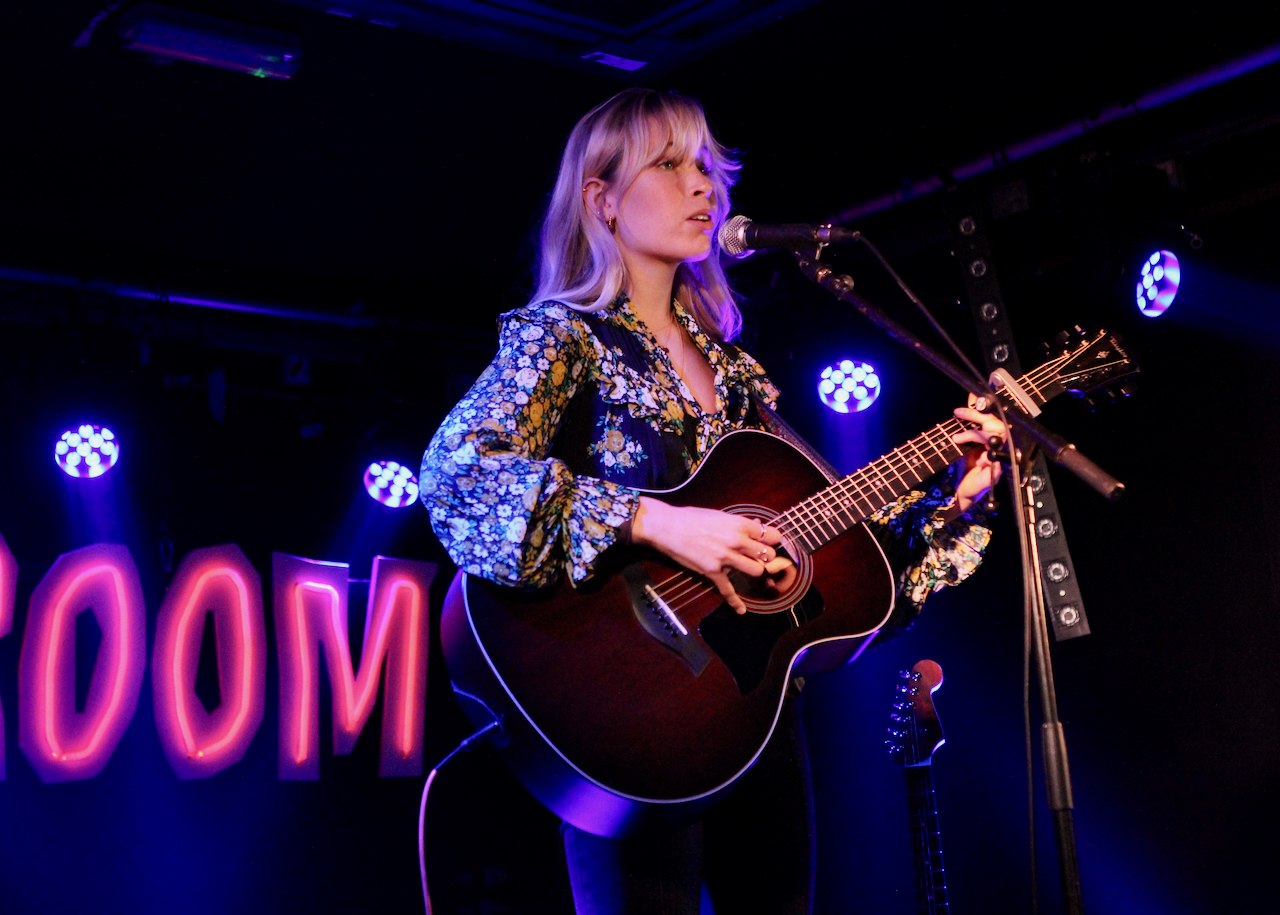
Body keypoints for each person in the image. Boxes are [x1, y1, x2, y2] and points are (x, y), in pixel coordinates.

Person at [420, 87, 1004, 915]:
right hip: (626, 711)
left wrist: (960, 496)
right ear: (602, 199)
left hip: (753, 720)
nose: (704, 186)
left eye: (706, 166)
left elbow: (850, 579)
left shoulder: (738, 378)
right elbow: (457, 475)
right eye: (670, 164)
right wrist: (659, 521)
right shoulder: (562, 338)